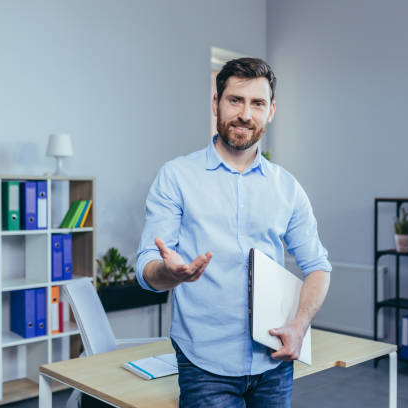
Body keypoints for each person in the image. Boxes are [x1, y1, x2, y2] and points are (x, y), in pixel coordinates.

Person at [136, 57, 331, 408]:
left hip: (275, 362)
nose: (245, 114)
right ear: (216, 103)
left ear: (271, 111)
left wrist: (300, 325)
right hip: (204, 365)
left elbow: (318, 266)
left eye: (257, 103)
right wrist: (170, 272)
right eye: (235, 100)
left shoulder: (287, 188)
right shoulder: (176, 176)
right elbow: (147, 267)